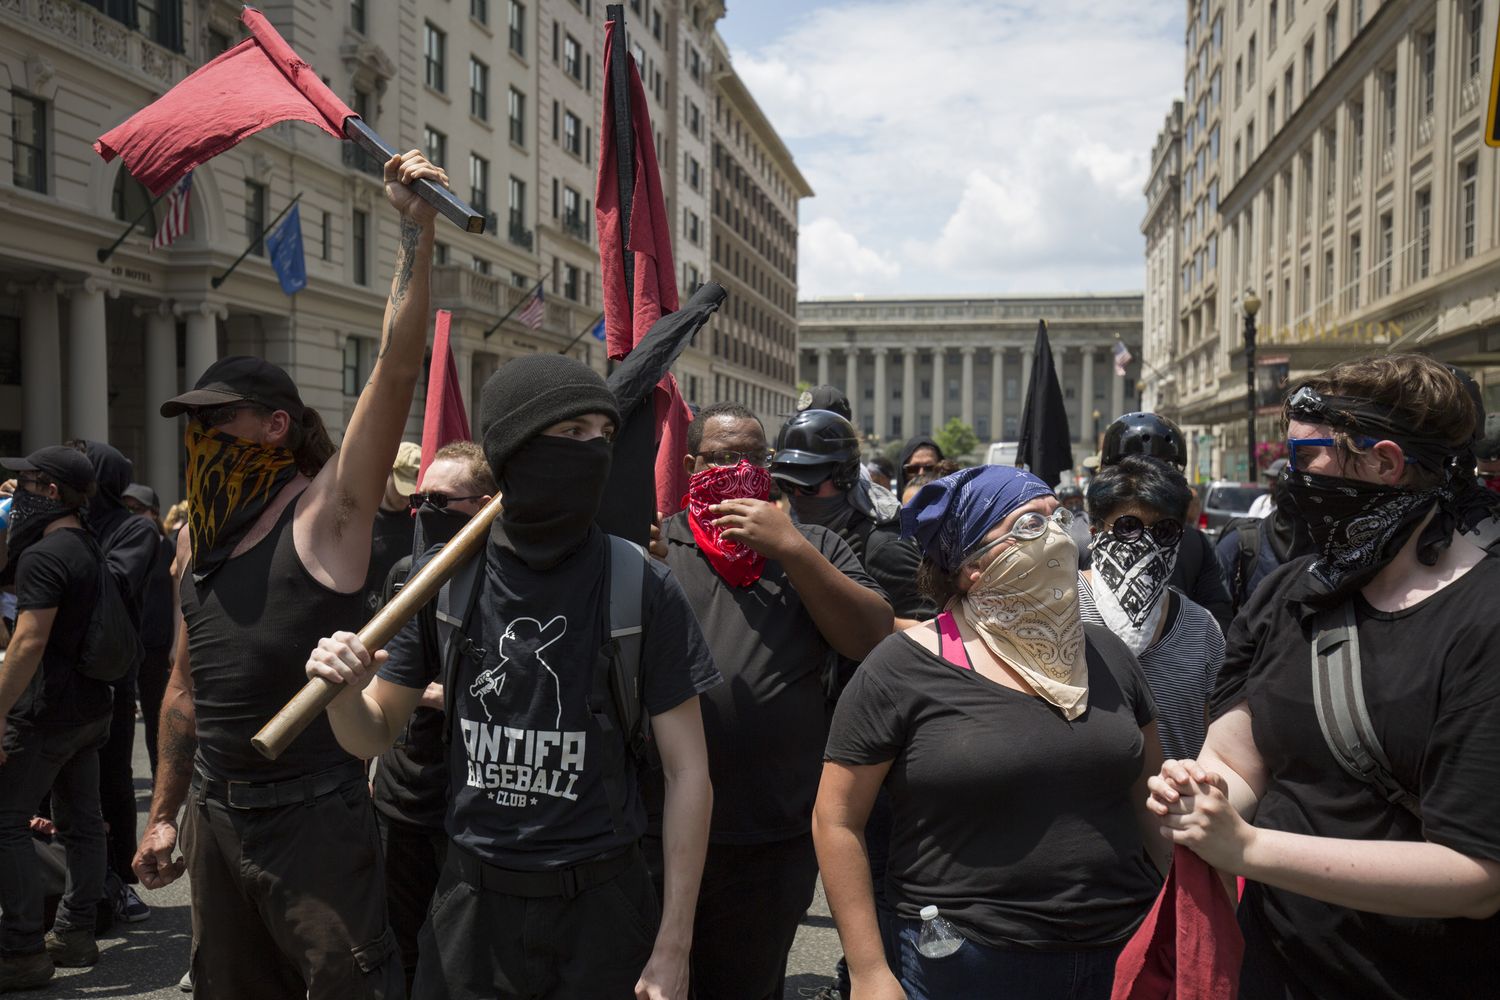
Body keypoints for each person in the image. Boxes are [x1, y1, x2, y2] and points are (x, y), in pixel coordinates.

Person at [131, 149, 449, 1000]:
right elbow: (181, 694)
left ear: (275, 426)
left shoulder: (328, 515)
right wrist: (163, 816)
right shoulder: (194, 544)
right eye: (192, 423)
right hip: (216, 818)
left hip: (316, 821)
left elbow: (393, 367)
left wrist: (413, 230)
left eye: (217, 420)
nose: (200, 436)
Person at [304, 354, 721, 1000]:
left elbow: (688, 772)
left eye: (603, 436)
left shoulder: (642, 586)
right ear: (516, 448)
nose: (594, 451)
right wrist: (341, 693)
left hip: (603, 913)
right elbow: (374, 734)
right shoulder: (442, 584)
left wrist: (674, 946)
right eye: (573, 432)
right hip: (472, 913)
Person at [1148, 354, 1500, 1000]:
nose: (1290, 479)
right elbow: (1233, 757)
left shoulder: (1484, 617)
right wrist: (1198, 790)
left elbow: (1477, 874)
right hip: (1272, 971)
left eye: (1307, 458)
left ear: (1384, 463)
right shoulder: (1291, 593)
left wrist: (1248, 849)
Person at [815, 466, 1167, 1000]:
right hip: (969, 961)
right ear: (970, 567)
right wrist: (868, 971)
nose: (1055, 537)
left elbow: (1149, 798)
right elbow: (836, 819)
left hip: (1121, 950)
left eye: (1059, 519)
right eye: (1028, 525)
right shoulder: (900, 669)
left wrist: (1179, 907)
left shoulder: (1109, 654)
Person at [654, 401, 892, 999]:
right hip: (661, 827)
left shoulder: (812, 546)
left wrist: (793, 549)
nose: (738, 470)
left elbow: (868, 636)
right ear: (690, 465)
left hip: (771, 833)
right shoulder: (657, 548)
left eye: (753, 459)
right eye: (721, 459)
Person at [369, 440, 495, 995]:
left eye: (441, 500)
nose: (423, 511)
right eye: (418, 499)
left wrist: (425, 690)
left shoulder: (508, 580)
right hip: (405, 797)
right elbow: (382, 681)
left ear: (486, 504)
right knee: (400, 944)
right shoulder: (406, 576)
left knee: (466, 956)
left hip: (477, 805)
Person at [0, 446, 111, 989]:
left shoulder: (44, 557)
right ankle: (75, 933)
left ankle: (21, 950)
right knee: (83, 823)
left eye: (27, 482)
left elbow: (27, 641)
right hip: (87, 711)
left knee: (5, 822)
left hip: (44, 714)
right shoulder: (86, 544)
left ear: (50, 492)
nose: (17, 491)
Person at [1078, 456, 1224, 761]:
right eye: (1128, 527)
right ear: (1095, 532)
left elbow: (1214, 742)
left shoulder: (1202, 629)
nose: (1146, 543)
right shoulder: (1059, 609)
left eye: (1164, 530)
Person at [71, 441, 159, 924]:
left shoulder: (135, 529)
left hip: (111, 670)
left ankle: (118, 878)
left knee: (111, 778)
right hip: (61, 671)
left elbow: (112, 582)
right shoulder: (65, 527)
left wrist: (63, 542)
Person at [770, 409, 930, 622]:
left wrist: (868, 623)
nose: (797, 494)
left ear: (844, 475)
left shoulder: (883, 546)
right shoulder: (793, 534)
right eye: (787, 484)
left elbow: (932, 634)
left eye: (809, 485)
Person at [1100, 412, 1233, 629]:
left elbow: (1219, 621)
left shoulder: (1194, 544)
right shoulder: (1080, 543)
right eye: (1131, 472)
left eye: (1158, 474)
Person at [121, 485, 176, 783]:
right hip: (127, 644)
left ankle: (161, 775)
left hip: (156, 644)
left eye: (138, 509)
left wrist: (176, 642)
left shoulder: (168, 547)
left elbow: (176, 599)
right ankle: (120, 777)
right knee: (121, 716)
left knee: (156, 715)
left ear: (154, 513)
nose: (132, 515)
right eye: (127, 508)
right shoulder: (120, 546)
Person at [363, 441, 420, 614]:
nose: (406, 497)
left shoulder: (418, 519)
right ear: (388, 473)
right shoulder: (364, 519)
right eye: (401, 487)